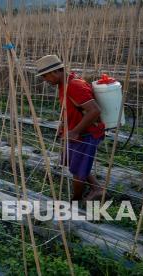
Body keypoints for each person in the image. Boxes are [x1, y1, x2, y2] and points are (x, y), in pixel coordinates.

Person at [36, 55, 105, 201]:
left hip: (85, 134)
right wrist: (63, 124)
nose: (45, 80)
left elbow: (94, 110)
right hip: (75, 130)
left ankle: (76, 200)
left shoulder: (74, 85)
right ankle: (97, 188)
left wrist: (75, 131)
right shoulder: (64, 84)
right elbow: (72, 107)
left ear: (55, 72)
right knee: (75, 163)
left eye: (45, 76)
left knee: (77, 170)